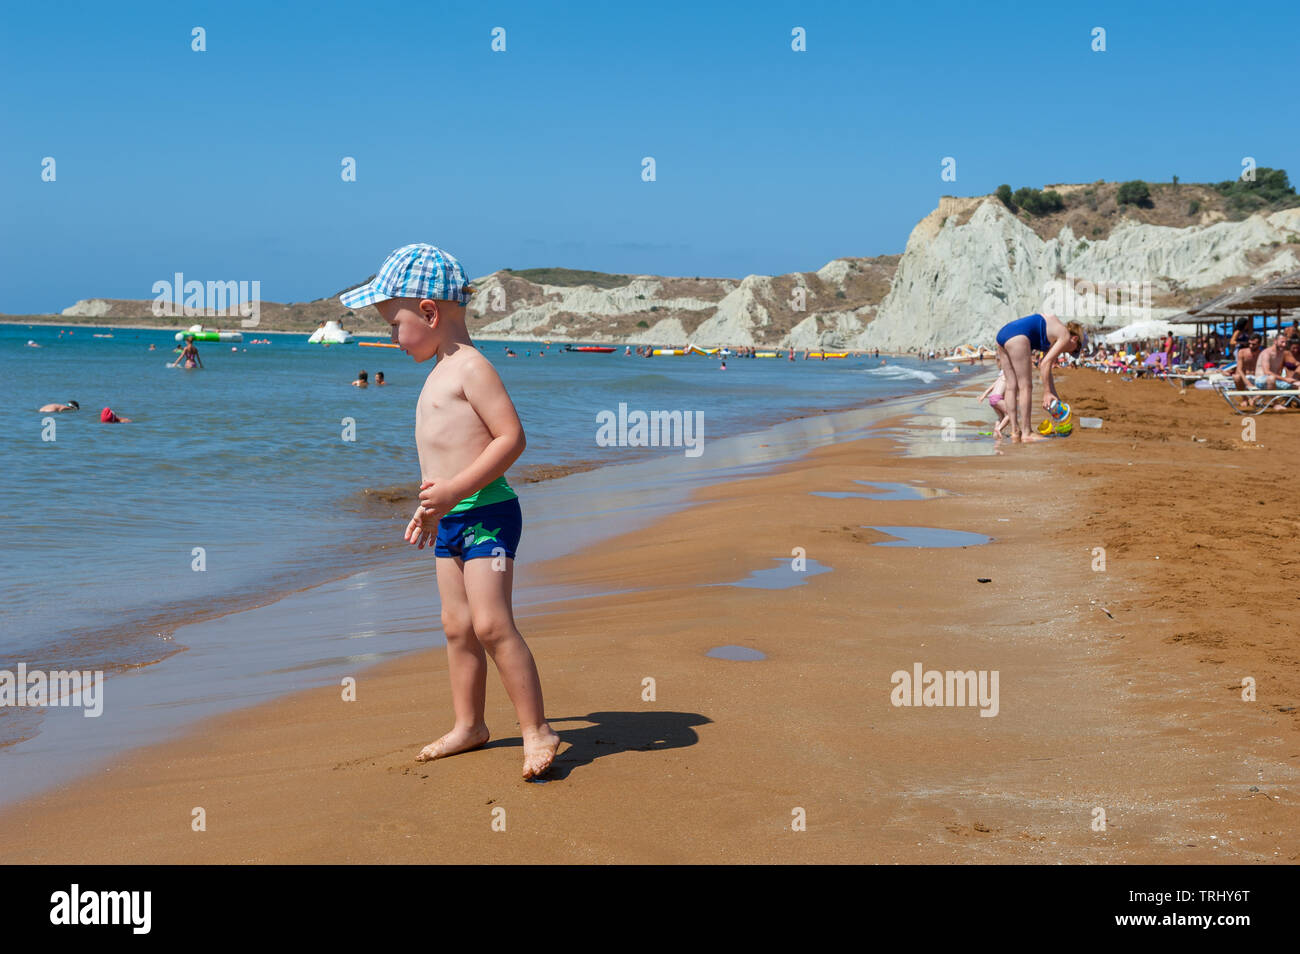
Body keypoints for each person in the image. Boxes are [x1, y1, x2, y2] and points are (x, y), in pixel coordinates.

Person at [340, 243, 559, 780]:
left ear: (431, 314)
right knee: (456, 625)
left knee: (490, 623)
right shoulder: (438, 369)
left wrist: (455, 491)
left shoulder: (472, 369)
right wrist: (430, 510)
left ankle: (538, 731)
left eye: (395, 324)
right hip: (453, 519)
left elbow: (511, 439)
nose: (392, 337)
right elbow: (440, 459)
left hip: (489, 514)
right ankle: (470, 725)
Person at [993, 312, 1083, 442]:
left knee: (1011, 385)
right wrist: (1046, 393)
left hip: (1003, 334)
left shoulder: (1055, 330)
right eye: (1074, 350)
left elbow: (1047, 368)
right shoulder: (1064, 335)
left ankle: (1015, 431)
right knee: (1025, 386)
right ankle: (1027, 432)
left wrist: (1053, 395)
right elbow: (1045, 364)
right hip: (1018, 336)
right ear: (1074, 339)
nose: (1070, 352)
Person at [976, 367, 1010, 439]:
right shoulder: (1007, 376)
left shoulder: (1000, 378)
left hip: (991, 398)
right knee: (1011, 414)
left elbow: (991, 387)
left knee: (1001, 417)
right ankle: (998, 429)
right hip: (998, 398)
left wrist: (983, 396)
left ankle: (995, 434)